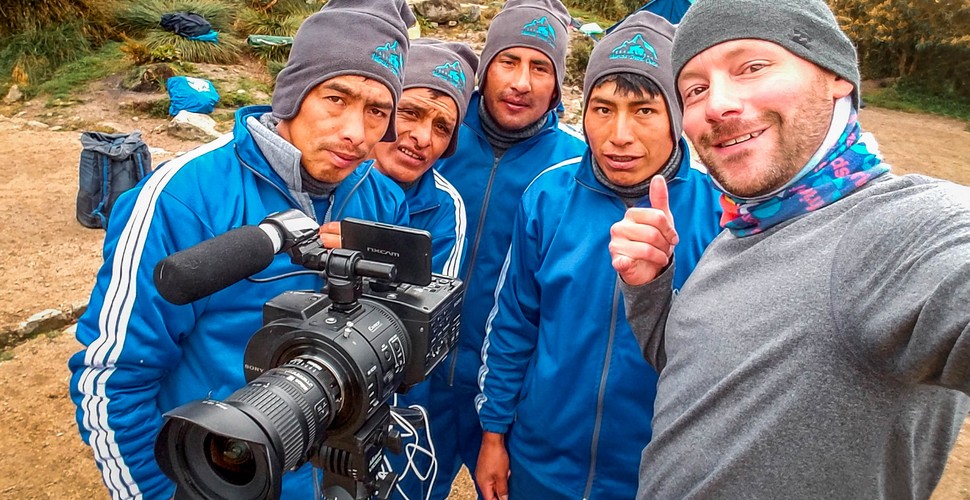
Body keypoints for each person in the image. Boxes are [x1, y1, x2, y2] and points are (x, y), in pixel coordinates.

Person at [608, 0, 970, 498]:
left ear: (837, 74)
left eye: (751, 67)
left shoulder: (897, 231)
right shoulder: (743, 230)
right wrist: (648, 288)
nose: (717, 105)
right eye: (696, 88)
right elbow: (698, 367)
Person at [68, 1, 416, 498]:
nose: (356, 133)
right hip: (220, 476)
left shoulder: (382, 198)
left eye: (377, 111)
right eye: (336, 99)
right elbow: (113, 379)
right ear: (294, 93)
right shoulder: (182, 199)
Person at [473, 12, 722, 499]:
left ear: (677, 115)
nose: (619, 134)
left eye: (645, 110)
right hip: (541, 461)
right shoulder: (547, 197)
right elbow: (513, 324)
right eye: (603, 108)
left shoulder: (719, 215)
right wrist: (493, 434)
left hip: (655, 472)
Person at [425, 0, 587, 496]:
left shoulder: (577, 168)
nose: (521, 82)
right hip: (417, 380)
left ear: (558, 83)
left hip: (511, 395)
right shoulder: (435, 139)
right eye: (508, 61)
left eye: (541, 67)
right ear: (484, 68)